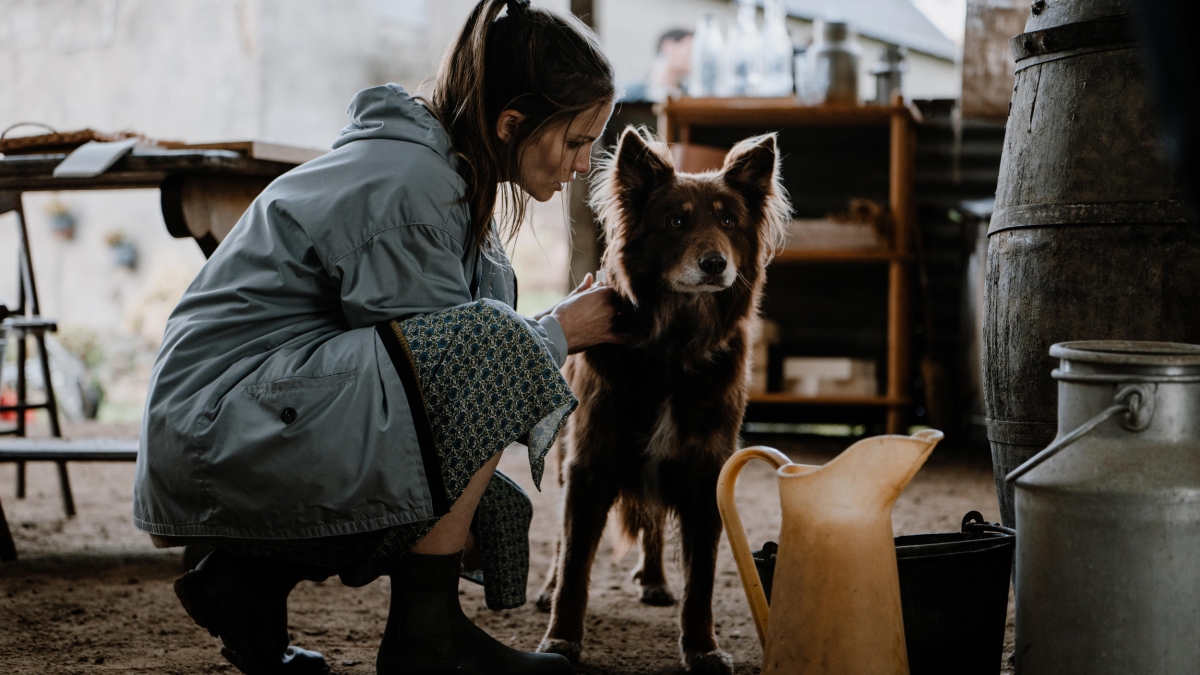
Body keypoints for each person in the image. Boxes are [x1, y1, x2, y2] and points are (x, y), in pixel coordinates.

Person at [132, 2, 619, 674]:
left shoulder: (437, 174)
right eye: (575, 141)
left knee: (485, 459)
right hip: (216, 434)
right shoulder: (415, 189)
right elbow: (447, 386)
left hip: (232, 422)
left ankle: (246, 581)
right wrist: (560, 332)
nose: (583, 163)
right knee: (488, 363)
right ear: (510, 125)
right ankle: (429, 640)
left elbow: (426, 363)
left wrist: (546, 330)